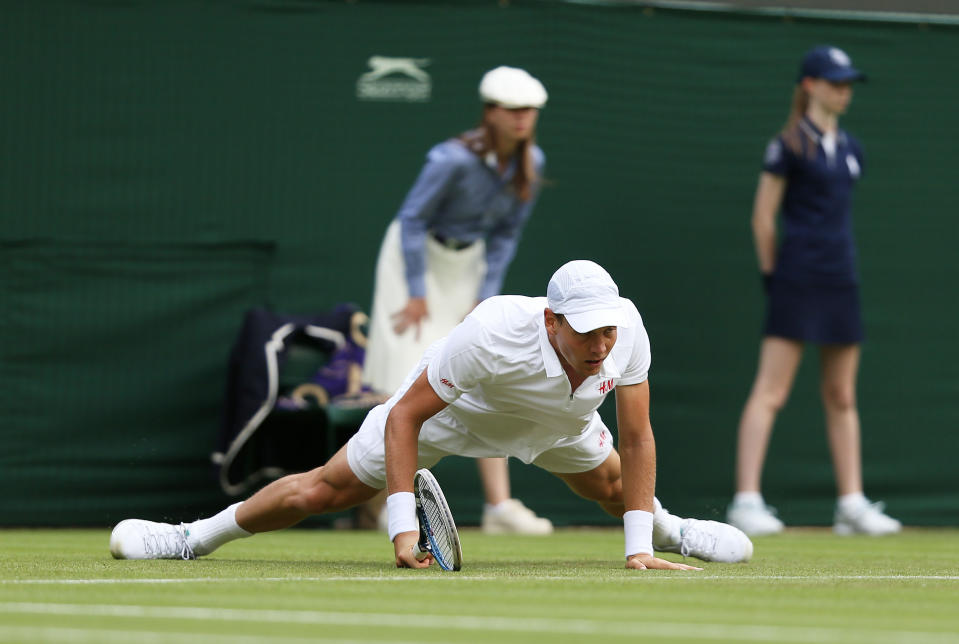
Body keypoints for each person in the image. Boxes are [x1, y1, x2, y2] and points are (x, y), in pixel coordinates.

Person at [111, 260, 753, 569]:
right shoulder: (491, 331)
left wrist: (634, 551)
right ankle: (193, 537)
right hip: (457, 413)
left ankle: (667, 534)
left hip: (560, 421)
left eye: (606, 331)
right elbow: (404, 420)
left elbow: (637, 437)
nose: (600, 344)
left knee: (617, 487)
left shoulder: (625, 330)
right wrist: (399, 529)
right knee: (325, 488)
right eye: (584, 331)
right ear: (551, 320)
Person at [362, 66, 552, 535]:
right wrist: (417, 292)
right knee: (400, 381)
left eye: (529, 110)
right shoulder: (450, 160)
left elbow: (506, 235)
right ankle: (392, 504)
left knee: (485, 370)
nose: (522, 118)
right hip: (412, 265)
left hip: (467, 268)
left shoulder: (533, 161)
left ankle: (499, 507)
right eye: (512, 110)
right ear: (490, 113)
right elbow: (410, 219)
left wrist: (485, 297)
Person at [726, 46, 901, 537]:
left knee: (842, 394)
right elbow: (763, 217)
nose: (844, 90)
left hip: (842, 278)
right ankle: (746, 501)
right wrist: (771, 275)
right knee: (772, 391)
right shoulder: (786, 146)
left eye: (848, 82)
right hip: (797, 278)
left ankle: (850, 504)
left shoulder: (852, 149)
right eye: (834, 81)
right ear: (809, 85)